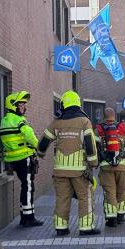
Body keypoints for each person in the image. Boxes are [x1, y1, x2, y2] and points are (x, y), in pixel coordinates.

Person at [37, 90, 99, 236]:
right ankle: (86, 227)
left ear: (64, 104)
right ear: (77, 103)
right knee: (85, 197)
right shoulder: (84, 121)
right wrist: (93, 162)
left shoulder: (56, 122)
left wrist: (41, 154)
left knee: (62, 198)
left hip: (60, 170)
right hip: (79, 170)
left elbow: (43, 142)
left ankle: (61, 227)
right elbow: (90, 144)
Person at [0, 91, 44, 227]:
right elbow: (29, 135)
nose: (24, 107)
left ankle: (24, 216)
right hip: (24, 158)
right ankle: (29, 218)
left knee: (25, 187)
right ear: (13, 105)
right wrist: (39, 147)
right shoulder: (19, 120)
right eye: (21, 104)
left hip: (13, 159)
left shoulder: (5, 120)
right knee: (29, 187)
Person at [95, 108, 125, 227]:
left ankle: (111, 219)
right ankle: (121, 216)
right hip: (122, 165)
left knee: (109, 192)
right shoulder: (122, 127)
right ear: (114, 116)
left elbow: (92, 146)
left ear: (104, 116)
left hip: (106, 166)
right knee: (122, 191)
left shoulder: (98, 129)